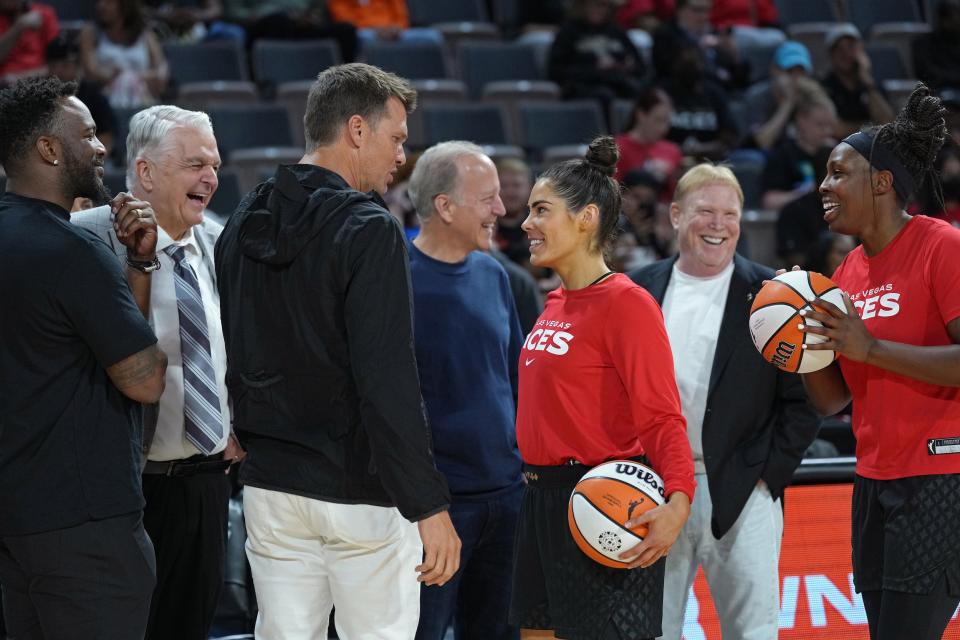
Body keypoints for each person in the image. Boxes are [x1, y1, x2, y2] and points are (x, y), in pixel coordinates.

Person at [214, 62, 460, 639]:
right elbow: (387, 379)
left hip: (271, 487)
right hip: (360, 492)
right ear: (356, 129)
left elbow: (229, 346)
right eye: (396, 138)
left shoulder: (241, 217)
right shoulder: (370, 228)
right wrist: (428, 505)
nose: (403, 156)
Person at [509, 136, 696, 640]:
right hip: (539, 500)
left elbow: (661, 416)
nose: (526, 223)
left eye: (541, 210)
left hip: (601, 499)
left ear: (586, 217)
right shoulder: (553, 303)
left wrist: (679, 500)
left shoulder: (627, 304)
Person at [0, 75, 167, 639]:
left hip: (16, 525)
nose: (101, 147)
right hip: (87, 531)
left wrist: (137, 269)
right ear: (49, 149)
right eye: (89, 133)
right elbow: (143, 380)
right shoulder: (75, 252)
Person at [72, 104, 243, 640]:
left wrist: (239, 421)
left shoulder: (219, 240)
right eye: (195, 164)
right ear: (145, 172)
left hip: (209, 482)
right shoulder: (84, 238)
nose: (210, 178)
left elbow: (235, 348)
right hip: (123, 490)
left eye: (213, 164)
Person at [629, 163, 821, 640]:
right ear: (675, 215)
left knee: (752, 631)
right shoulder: (634, 290)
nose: (719, 224)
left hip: (742, 487)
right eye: (705, 211)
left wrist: (766, 476)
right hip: (651, 487)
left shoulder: (775, 296)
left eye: (730, 214)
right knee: (648, 629)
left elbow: (805, 399)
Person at [798, 83, 960, 640]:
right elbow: (833, 398)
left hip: (940, 475)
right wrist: (792, 344)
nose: (825, 186)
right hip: (871, 480)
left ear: (882, 182)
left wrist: (870, 348)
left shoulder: (942, 246)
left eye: (839, 173)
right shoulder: (847, 272)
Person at [406, 141, 524, 640]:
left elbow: (518, 379)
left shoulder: (495, 273)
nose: (501, 209)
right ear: (445, 206)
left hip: (508, 495)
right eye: (488, 198)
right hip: (437, 509)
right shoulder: (396, 282)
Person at [548, 0, 647, 106]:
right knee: (604, 95)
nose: (600, 10)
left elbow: (639, 65)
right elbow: (556, 70)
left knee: (644, 93)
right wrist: (594, 68)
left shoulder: (616, 30)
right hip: (585, 85)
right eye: (596, 5)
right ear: (584, 5)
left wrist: (627, 66)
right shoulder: (569, 31)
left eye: (605, 6)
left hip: (618, 81)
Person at [79, 0, 169, 109]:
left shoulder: (145, 33)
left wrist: (132, 77)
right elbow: (90, 71)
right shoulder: (90, 32)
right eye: (99, 1)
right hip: (106, 101)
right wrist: (111, 75)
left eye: (109, 2)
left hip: (144, 97)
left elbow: (161, 68)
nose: (101, 5)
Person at [760, 89, 837, 211]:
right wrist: (808, 194)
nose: (827, 131)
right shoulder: (784, 155)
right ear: (801, 120)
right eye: (820, 125)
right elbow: (770, 202)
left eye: (830, 125)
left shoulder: (837, 155)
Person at [46, 33, 117, 158]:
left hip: (86, 163)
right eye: (53, 65)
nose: (57, 72)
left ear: (77, 66)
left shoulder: (93, 95)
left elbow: (106, 139)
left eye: (65, 65)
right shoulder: (42, 96)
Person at [820, 23, 894, 140]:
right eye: (839, 48)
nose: (845, 53)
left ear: (861, 50)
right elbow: (835, 129)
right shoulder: (824, 86)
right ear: (830, 54)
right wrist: (871, 127)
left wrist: (867, 82)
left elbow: (887, 123)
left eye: (851, 47)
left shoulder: (871, 84)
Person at [615, 85, 683, 187]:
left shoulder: (673, 151)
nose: (663, 128)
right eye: (658, 120)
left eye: (667, 122)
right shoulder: (617, 149)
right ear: (641, 115)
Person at [0, 0, 58, 82]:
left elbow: (57, 66)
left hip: (38, 82)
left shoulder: (44, 14)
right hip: (3, 85)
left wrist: (20, 77)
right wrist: (19, 26)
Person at [912, 0, 960, 93]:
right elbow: (930, 76)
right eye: (955, 18)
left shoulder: (957, 42)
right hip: (940, 92)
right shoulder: (923, 44)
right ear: (943, 20)